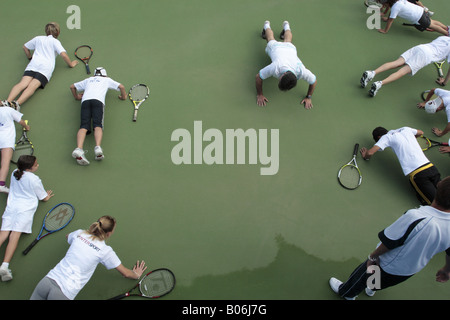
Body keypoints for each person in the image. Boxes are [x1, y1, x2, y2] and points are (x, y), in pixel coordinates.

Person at [329, 176, 450, 300]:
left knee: (362, 276)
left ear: (438, 186)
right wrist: (447, 270)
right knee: (382, 282)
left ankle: (347, 293)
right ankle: (371, 288)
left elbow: (390, 242)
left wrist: (373, 256)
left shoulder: (416, 217)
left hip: (385, 263)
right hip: (408, 271)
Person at [30, 215, 147, 300]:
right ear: (109, 233)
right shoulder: (105, 251)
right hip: (63, 294)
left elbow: (67, 237)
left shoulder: (80, 233)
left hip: (46, 282)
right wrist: (136, 275)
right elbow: (126, 273)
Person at [0, 155, 53, 281]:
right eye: (36, 164)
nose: (38, 165)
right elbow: (43, 198)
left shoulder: (14, 172)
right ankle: (4, 266)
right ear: (30, 168)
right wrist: (47, 196)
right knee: (15, 235)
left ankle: (4, 266)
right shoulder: (34, 179)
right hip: (25, 210)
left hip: (11, 208)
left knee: (3, 234)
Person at [3, 22, 78, 109]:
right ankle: (17, 104)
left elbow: (25, 47)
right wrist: (71, 64)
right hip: (45, 68)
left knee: (22, 84)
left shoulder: (38, 38)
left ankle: (7, 101)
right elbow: (64, 55)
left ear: (46, 31)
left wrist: (30, 58)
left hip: (33, 64)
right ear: (57, 32)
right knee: (32, 86)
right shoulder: (55, 42)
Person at [360, 126, 441, 205]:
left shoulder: (386, 137)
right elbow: (420, 132)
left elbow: (370, 152)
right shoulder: (405, 129)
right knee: (445, 194)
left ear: (379, 137)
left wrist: (365, 156)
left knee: (436, 204)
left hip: (418, 174)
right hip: (431, 167)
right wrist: (411, 140)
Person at [69, 67, 127, 165]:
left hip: (85, 101)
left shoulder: (88, 80)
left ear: (94, 75)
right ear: (105, 75)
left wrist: (77, 97)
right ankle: (97, 147)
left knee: (83, 126)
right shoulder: (107, 80)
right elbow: (121, 86)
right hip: (98, 102)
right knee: (97, 125)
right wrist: (123, 96)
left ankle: (79, 148)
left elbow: (72, 86)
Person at [360, 35, 450, 97]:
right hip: (426, 56)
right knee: (402, 71)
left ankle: (372, 73)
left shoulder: (444, 37)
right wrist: (444, 82)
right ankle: (379, 83)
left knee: (397, 62)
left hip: (421, 47)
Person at [256, 20, 317, 109]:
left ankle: (286, 26)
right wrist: (260, 95)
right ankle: (266, 25)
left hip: (290, 48)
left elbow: (313, 81)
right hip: (275, 48)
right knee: (269, 38)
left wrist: (309, 97)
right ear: (283, 74)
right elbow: (258, 77)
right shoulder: (276, 67)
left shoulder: (301, 71)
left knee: (288, 40)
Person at [0, 105, 30, 193]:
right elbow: (21, 121)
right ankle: (1, 185)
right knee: (5, 163)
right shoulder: (8, 110)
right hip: (6, 141)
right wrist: (26, 127)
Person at [377, 0, 447, 35]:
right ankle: (447, 28)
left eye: (384, 4)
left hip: (418, 18)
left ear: (387, 3)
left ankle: (447, 34)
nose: (384, 6)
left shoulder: (395, 7)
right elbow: (392, 13)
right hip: (421, 11)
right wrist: (387, 18)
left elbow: (391, 21)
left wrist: (385, 30)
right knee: (433, 21)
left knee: (431, 26)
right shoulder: (399, 1)